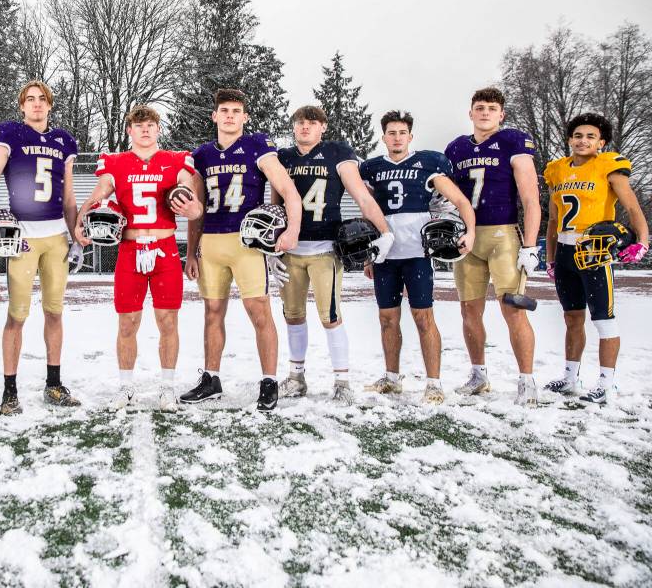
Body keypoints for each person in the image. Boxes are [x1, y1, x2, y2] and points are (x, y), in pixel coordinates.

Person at [0, 80, 83, 415]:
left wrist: (76, 238)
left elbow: (69, 198)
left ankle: (53, 384)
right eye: (30, 99)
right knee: (16, 315)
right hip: (24, 239)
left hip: (56, 237)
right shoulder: (10, 134)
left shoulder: (64, 141)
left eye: (42, 99)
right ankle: (10, 391)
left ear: (50, 104)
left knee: (54, 312)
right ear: (22, 105)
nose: (36, 104)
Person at [181, 88, 303, 412]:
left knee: (259, 311)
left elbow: (288, 189)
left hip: (246, 242)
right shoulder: (202, 155)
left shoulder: (256, 145)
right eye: (224, 110)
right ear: (214, 116)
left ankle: (269, 381)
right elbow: (196, 209)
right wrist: (191, 251)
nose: (230, 116)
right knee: (212, 312)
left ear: (245, 117)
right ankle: (211, 379)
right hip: (211, 240)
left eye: (236, 111)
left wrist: (292, 229)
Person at [74, 105, 202, 410]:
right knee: (127, 323)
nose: (145, 130)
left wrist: (193, 208)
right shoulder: (116, 163)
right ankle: (126, 387)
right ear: (129, 131)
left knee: (167, 321)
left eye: (150, 125)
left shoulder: (176, 161)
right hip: (130, 250)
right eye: (139, 125)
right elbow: (97, 196)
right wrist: (79, 224)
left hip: (164, 249)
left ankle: (167, 387)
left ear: (158, 129)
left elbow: (194, 202)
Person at [272, 105, 394, 404]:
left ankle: (342, 380)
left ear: (323, 127)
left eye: (312, 122)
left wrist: (385, 231)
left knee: (330, 316)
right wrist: (271, 247)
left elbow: (361, 196)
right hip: (290, 249)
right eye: (300, 122)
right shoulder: (283, 157)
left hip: (325, 248)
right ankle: (296, 378)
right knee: (293, 316)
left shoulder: (336, 153)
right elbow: (275, 206)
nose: (305, 127)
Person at [359, 110, 476, 405]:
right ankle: (392, 378)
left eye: (402, 133)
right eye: (391, 133)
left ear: (410, 136)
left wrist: (471, 232)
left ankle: (434, 383)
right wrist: (369, 256)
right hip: (386, 255)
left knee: (423, 317)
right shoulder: (372, 168)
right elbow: (368, 210)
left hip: (417, 254)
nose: (397, 138)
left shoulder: (427, 164)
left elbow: (460, 200)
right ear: (383, 137)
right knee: (387, 318)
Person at [542, 112, 648, 404]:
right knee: (572, 318)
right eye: (578, 135)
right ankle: (569, 377)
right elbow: (554, 220)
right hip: (565, 251)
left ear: (601, 142)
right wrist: (550, 257)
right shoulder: (557, 170)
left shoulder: (608, 166)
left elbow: (632, 207)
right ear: (569, 139)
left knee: (603, 319)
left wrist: (643, 241)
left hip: (594, 251)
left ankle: (606, 383)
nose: (583, 141)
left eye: (591, 136)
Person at [444, 87, 541, 406]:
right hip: (468, 236)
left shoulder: (512, 141)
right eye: (480, 107)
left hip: (503, 235)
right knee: (469, 309)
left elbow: (530, 198)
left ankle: (526, 380)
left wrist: (530, 245)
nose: (485, 112)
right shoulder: (456, 148)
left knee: (512, 309)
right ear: (470, 112)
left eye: (491, 108)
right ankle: (479, 375)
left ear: (502, 114)